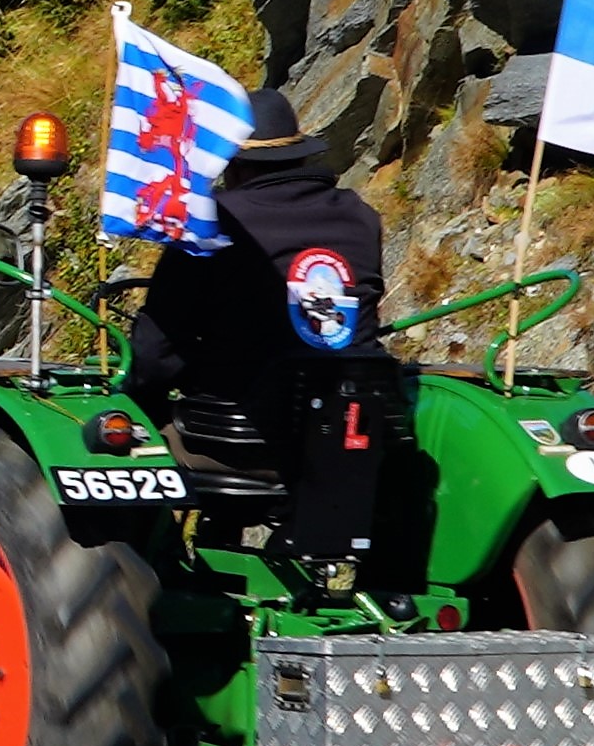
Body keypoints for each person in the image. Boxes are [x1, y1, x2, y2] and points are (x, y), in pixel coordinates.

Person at [126, 90, 395, 589]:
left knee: (120, 452)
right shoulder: (358, 217)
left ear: (234, 165)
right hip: (350, 438)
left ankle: (154, 579)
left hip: (238, 443)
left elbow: (154, 355)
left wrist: (137, 392)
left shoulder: (213, 225)